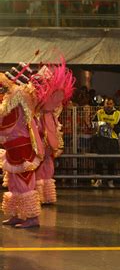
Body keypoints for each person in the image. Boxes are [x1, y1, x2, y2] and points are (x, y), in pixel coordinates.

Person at [0, 63, 44, 228]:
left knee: (23, 183)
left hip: (20, 147)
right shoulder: (17, 102)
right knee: (14, 182)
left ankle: (32, 218)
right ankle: (18, 214)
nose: (5, 90)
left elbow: (6, 126)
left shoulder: (15, 104)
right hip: (14, 147)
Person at [35, 60, 75, 203]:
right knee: (46, 160)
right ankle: (46, 195)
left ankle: (41, 195)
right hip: (49, 127)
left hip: (44, 127)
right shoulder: (56, 99)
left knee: (41, 160)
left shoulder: (47, 102)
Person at [91, 97, 120, 188]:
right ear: (104, 104)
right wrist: (98, 126)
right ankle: (99, 180)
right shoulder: (99, 113)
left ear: (113, 104)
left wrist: (114, 126)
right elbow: (93, 124)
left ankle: (110, 181)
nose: (109, 105)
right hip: (100, 139)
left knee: (111, 161)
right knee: (99, 161)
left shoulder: (118, 114)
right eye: (107, 103)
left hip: (112, 140)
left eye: (110, 104)